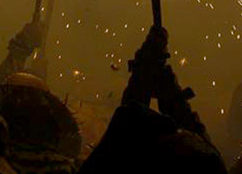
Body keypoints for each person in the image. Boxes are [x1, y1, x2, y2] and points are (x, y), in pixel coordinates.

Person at [79, 25, 226, 173]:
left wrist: (144, 73)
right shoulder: (210, 164)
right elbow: (206, 156)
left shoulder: (206, 162)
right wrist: (172, 98)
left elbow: (124, 138)